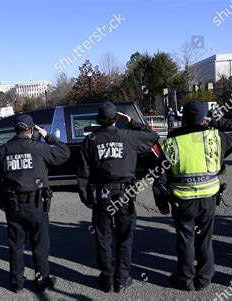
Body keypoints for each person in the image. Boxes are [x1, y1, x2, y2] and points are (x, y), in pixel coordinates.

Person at [76, 102, 159, 293]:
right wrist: (131, 122)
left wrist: (87, 198)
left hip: (102, 194)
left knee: (103, 238)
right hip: (125, 194)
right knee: (124, 238)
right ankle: (121, 279)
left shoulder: (90, 140)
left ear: (98, 119)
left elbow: (82, 174)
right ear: (116, 118)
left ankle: (106, 279)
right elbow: (153, 136)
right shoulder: (129, 136)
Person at [152, 101, 232, 291]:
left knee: (185, 239)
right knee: (205, 239)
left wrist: (161, 203)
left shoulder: (171, 142)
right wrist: (217, 122)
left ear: (184, 118)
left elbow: (160, 177)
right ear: (204, 118)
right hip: (209, 198)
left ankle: (185, 279)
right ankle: (204, 278)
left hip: (182, 201)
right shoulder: (215, 138)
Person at [0, 114, 70, 293]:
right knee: (40, 244)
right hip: (37, 204)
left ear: (15, 130)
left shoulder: (3, 150)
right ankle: (41, 281)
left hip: (13, 205)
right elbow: (65, 152)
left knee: (16, 245)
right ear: (32, 130)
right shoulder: (40, 148)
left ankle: (17, 282)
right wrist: (48, 136)